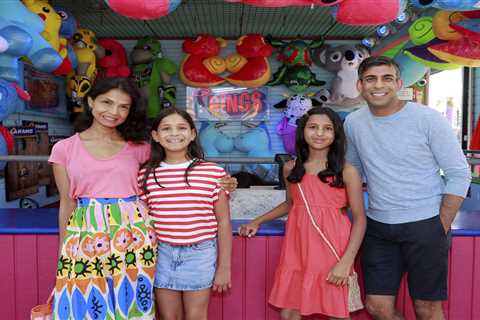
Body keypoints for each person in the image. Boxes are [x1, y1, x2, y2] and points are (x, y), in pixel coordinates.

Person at [344, 56, 471, 320]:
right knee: (377, 307)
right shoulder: (353, 123)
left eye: (386, 78)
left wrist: (440, 225)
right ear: (360, 86)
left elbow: (459, 173)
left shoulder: (428, 119)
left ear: (399, 83)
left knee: (427, 308)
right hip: (377, 227)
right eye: (370, 79)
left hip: (426, 224)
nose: (378, 85)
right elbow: (351, 171)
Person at [239, 107, 366, 320]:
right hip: (297, 247)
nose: (319, 133)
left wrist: (346, 262)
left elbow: (360, 219)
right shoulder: (291, 168)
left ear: (336, 134)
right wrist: (258, 221)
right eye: (313, 127)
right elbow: (291, 203)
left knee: (335, 310)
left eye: (327, 128)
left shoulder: (347, 171)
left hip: (332, 247)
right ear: (302, 131)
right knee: (289, 312)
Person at [49, 77, 157, 319]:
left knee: (130, 301)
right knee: (84, 303)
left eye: (123, 106)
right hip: (85, 232)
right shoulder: (64, 148)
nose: (113, 112)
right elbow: (67, 203)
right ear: (90, 101)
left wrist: (222, 181)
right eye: (106, 102)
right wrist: (63, 249)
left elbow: (173, 174)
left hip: (133, 233)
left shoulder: (141, 147)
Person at [138, 107, 232, 320]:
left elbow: (224, 221)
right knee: (169, 316)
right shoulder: (145, 174)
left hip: (199, 254)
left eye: (181, 128)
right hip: (161, 253)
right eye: (166, 128)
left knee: (196, 316)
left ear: (192, 134)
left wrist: (224, 267)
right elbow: (143, 222)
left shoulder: (213, 172)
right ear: (155, 135)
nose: (174, 134)